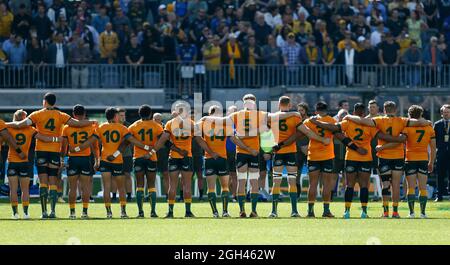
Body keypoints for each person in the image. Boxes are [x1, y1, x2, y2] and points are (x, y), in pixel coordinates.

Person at [7, 93, 96, 219]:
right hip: (55, 151)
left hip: (41, 150)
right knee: (53, 181)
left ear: (44, 101)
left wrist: (4, 124)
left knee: (43, 182)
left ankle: (43, 212)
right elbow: (77, 123)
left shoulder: (37, 114)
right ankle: (53, 211)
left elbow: (20, 124)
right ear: (54, 102)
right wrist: (91, 121)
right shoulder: (61, 115)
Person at [344, 101, 432, 218]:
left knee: (385, 184)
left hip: (383, 156)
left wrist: (349, 116)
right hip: (398, 156)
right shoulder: (402, 120)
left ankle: (385, 212)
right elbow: (420, 121)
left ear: (384, 110)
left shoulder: (379, 120)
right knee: (396, 185)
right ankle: (395, 212)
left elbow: (362, 120)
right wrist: (428, 122)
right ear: (395, 110)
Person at [71, 107, 149, 218]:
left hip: (104, 160)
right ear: (114, 116)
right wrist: (146, 147)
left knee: (106, 187)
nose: (119, 117)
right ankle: (123, 212)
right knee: (121, 188)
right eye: (118, 115)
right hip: (117, 160)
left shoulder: (101, 127)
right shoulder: (122, 128)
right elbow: (132, 140)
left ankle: (108, 212)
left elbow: (91, 142)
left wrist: (77, 149)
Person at [153, 103, 216, 218]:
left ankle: (170, 212)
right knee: (187, 185)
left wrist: (152, 151)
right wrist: (211, 152)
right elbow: (200, 140)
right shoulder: (191, 124)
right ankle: (188, 212)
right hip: (187, 157)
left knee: (173, 186)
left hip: (174, 157)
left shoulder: (170, 124)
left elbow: (163, 140)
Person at [270, 96, 326, 218]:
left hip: (278, 152)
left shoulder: (272, 117)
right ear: (289, 105)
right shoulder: (295, 117)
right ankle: (294, 211)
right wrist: (322, 139)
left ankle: (274, 211)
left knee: (276, 181)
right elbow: (306, 131)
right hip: (291, 152)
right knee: (292, 181)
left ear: (279, 105)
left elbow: (265, 133)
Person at [196, 105, 247, 217]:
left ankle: (215, 212)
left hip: (209, 158)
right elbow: (234, 139)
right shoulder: (224, 124)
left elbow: (197, 138)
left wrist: (210, 151)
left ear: (210, 113)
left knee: (211, 187)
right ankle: (225, 211)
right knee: (225, 187)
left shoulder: (204, 123)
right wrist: (246, 148)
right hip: (222, 158)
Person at [6, 110, 55, 219]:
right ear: (24, 118)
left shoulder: (9, 129)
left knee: (13, 189)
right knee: (25, 189)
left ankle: (15, 214)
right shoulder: (31, 130)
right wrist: (56, 138)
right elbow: (44, 138)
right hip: (25, 162)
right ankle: (26, 213)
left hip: (12, 162)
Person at [388, 105, 435, 218]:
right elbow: (433, 148)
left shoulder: (407, 128)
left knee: (411, 187)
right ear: (421, 114)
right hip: (423, 159)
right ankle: (423, 213)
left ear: (409, 115)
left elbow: (400, 141)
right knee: (423, 187)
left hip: (410, 159)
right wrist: (431, 162)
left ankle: (411, 213)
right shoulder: (429, 128)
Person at [61, 105, 98, 219]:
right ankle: (84, 212)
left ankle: (72, 213)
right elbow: (95, 146)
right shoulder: (91, 127)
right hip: (86, 158)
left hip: (73, 159)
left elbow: (64, 147)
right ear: (85, 114)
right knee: (85, 187)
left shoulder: (67, 127)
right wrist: (97, 160)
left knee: (72, 188)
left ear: (73, 114)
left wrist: (62, 159)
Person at [128, 105, 163, 218]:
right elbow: (162, 141)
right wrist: (151, 152)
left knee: (139, 185)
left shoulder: (134, 126)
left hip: (138, 157)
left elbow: (127, 139)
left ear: (139, 114)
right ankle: (153, 212)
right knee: (152, 185)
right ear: (150, 114)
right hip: (151, 158)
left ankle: (140, 212)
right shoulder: (156, 126)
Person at [433, 104, 450, 201]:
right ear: (441, 113)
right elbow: (433, 139)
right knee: (440, 175)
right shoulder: (437, 124)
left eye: (448, 112)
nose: (446, 114)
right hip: (441, 153)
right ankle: (439, 196)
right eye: (444, 112)